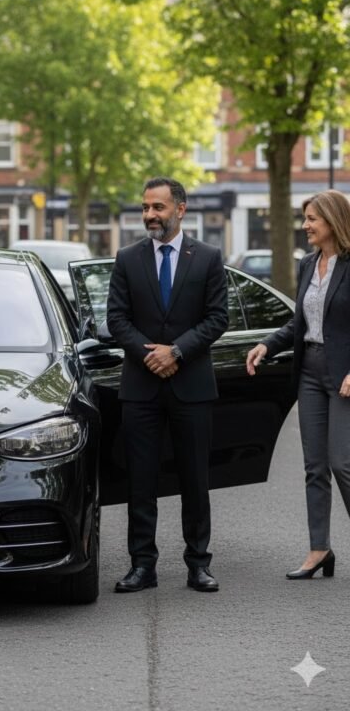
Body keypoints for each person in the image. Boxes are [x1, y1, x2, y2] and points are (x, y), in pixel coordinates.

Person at [107, 177, 228, 593]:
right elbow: (116, 319)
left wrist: (175, 352)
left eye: (157, 207)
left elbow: (217, 318)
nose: (150, 216)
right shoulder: (127, 258)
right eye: (145, 208)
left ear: (180, 209)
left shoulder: (208, 257)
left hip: (191, 385)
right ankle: (143, 565)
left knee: (195, 479)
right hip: (140, 387)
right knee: (141, 480)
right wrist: (149, 354)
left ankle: (199, 564)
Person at [246, 189, 350, 580]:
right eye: (305, 218)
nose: (305, 226)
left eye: (312, 219)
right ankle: (319, 549)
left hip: (343, 375)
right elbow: (298, 323)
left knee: (342, 462)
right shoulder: (309, 264)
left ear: (333, 222)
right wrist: (265, 345)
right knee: (314, 466)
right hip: (309, 370)